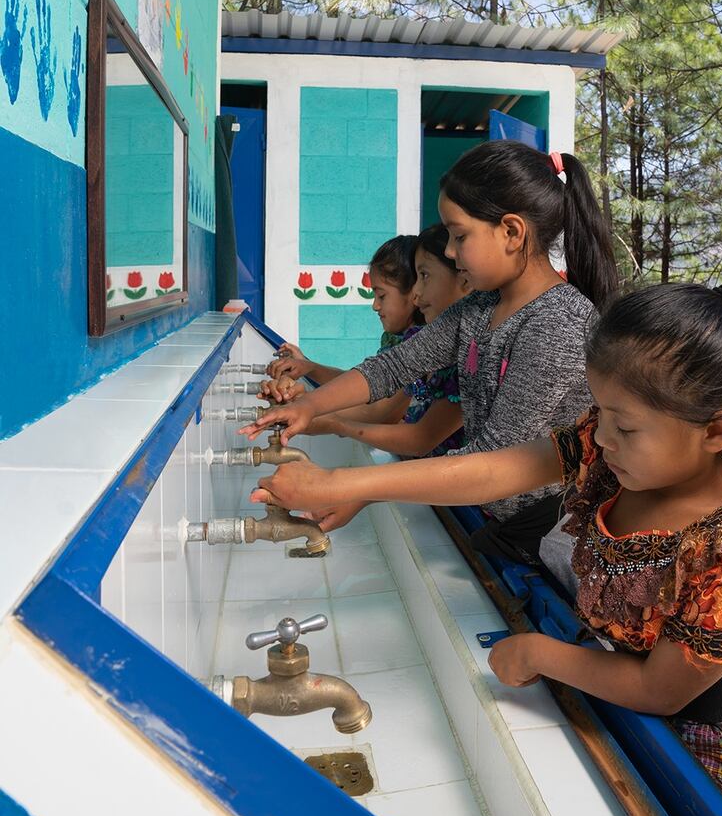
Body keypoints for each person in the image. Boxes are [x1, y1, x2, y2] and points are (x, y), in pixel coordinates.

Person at [253, 281, 722, 816]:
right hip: (637, 702)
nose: (603, 438)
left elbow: (660, 689)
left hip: (709, 753)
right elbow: (498, 471)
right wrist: (352, 485)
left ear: (716, 431)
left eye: (626, 427)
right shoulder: (620, 453)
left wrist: (540, 652)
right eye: (600, 414)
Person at [242, 139, 618, 522]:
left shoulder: (558, 323)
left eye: (460, 236)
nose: (451, 252)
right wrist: (308, 406)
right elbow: (391, 368)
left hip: (546, 529)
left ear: (511, 233)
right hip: (496, 517)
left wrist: (343, 483)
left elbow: (492, 462)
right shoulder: (479, 308)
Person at [303, 224, 470, 532]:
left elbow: (398, 422)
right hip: (435, 484)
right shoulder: (429, 342)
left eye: (425, 276)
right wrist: (310, 390)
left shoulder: (462, 352)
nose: (418, 293)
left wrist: (329, 420)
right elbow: (371, 381)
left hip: (462, 500)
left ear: (465, 279)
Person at [263, 234, 424, 426]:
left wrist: (304, 404)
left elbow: (381, 413)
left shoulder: (422, 345)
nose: (375, 306)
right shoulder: (394, 338)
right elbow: (364, 385)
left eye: (382, 296)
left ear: (415, 293)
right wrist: (309, 367)